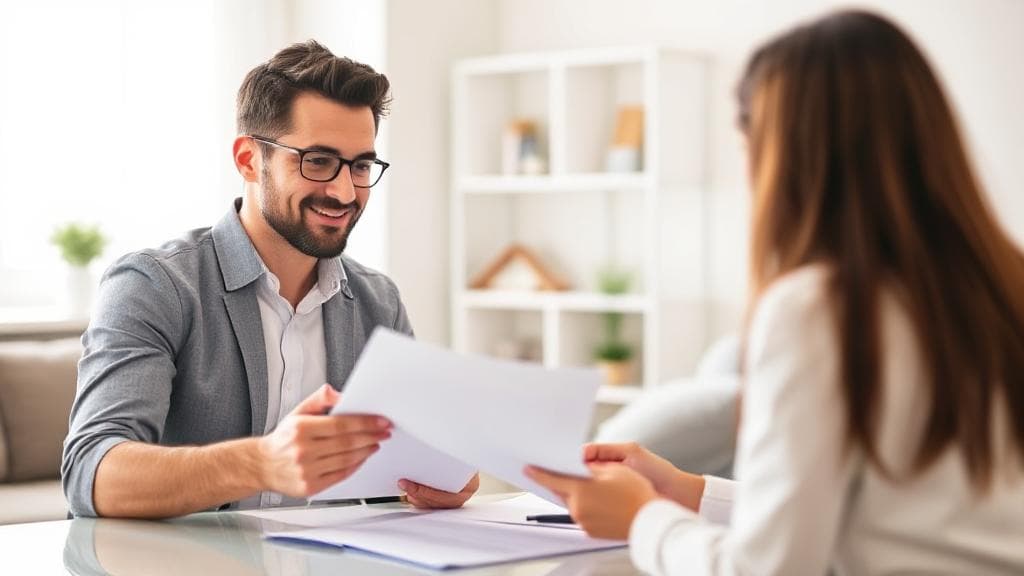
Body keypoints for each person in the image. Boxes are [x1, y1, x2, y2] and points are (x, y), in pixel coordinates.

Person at [527, 10, 1024, 575]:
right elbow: (886, 514)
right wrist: (687, 491)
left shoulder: (818, 310)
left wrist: (641, 520)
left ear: (783, 154)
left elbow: (769, 569)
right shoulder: (999, 287)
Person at [62, 40, 478, 519]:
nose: (345, 191)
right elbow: (91, 473)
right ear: (247, 159)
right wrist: (261, 463)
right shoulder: (154, 286)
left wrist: (442, 476)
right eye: (317, 161)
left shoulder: (377, 301)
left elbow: (405, 467)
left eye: (361, 166)